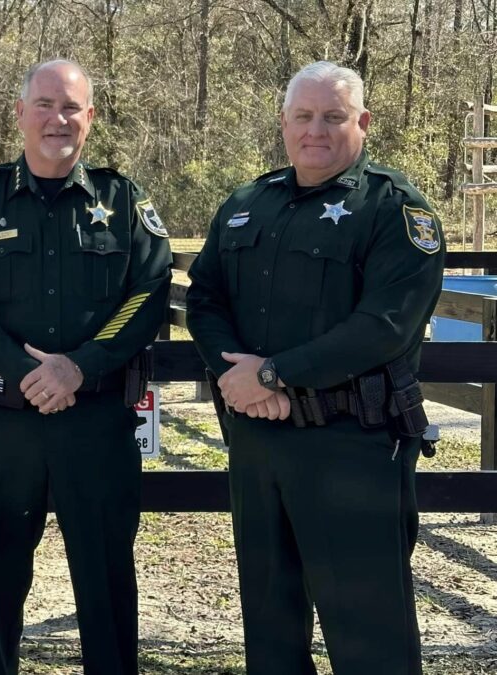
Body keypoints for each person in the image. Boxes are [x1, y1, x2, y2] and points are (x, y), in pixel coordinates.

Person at [186, 61, 445, 675]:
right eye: (303, 116)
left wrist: (273, 374)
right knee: (271, 632)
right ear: (284, 123)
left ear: (363, 122)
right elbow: (204, 298)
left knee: (369, 636)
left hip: (351, 447)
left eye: (333, 116)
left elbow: (384, 327)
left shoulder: (394, 209)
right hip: (259, 443)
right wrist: (239, 380)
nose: (316, 131)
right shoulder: (248, 203)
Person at [0, 59, 172, 674]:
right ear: (20, 114)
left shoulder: (123, 202)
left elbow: (147, 295)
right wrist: (25, 369)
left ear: (90, 118)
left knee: (106, 584)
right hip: (0, 426)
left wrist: (80, 367)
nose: (57, 118)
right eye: (44, 104)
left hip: (94, 422)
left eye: (71, 107)